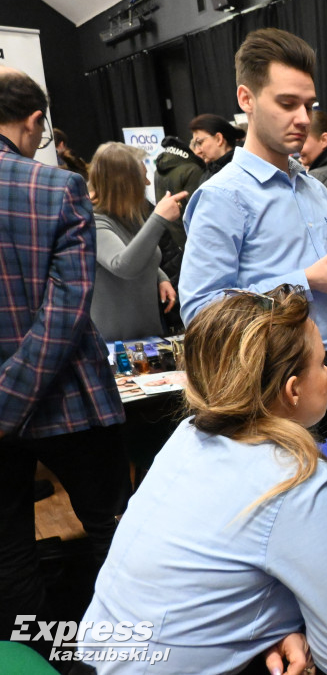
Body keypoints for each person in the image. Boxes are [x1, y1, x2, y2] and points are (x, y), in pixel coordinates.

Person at [79, 286, 327, 674]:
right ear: (292, 390)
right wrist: (290, 628)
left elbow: (213, 575)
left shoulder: (189, 433)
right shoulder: (295, 479)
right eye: (322, 364)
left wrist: (273, 626)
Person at [179, 28, 327, 442]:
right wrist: (305, 281)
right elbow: (201, 311)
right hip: (273, 383)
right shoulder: (223, 196)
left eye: (309, 105)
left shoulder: (313, 188)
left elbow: (319, 276)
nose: (303, 118)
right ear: (247, 99)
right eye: (287, 104)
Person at [0, 67, 129, 662]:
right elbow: (67, 309)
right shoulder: (57, 187)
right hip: (70, 400)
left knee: (9, 553)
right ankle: (121, 657)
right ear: (34, 122)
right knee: (111, 531)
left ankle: (36, 663)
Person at [88, 142, 189, 341]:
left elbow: (141, 253)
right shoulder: (94, 222)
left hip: (146, 338)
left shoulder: (131, 217)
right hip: (115, 346)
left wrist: (160, 277)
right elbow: (123, 265)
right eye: (142, 178)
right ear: (126, 184)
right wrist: (159, 219)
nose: (148, 183)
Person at [190, 113, 244, 183]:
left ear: (219, 139)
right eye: (196, 144)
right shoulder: (208, 172)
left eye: (200, 142)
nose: (198, 150)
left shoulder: (241, 169)